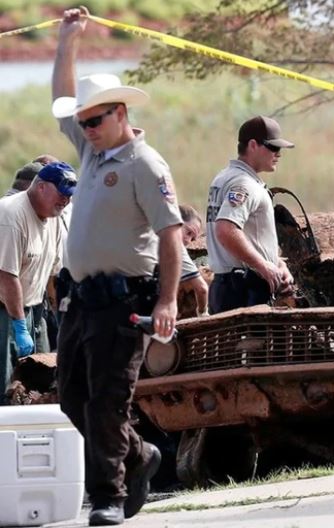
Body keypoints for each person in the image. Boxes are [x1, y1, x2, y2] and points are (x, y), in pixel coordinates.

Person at [52, 7, 183, 526]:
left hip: (123, 300)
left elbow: (173, 234)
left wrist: (168, 300)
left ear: (120, 113)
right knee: (72, 397)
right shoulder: (90, 152)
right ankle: (139, 454)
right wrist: (68, 40)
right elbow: (62, 96)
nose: (85, 128)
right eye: (82, 122)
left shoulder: (144, 165)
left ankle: (108, 496)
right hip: (81, 300)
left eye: (94, 120)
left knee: (107, 400)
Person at [0, 162, 74, 402]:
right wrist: (20, 327)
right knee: (5, 383)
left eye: (69, 196)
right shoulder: (11, 216)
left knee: (40, 381)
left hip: (34, 308)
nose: (66, 201)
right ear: (41, 187)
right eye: (62, 194)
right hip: (5, 311)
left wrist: (59, 317)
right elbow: (6, 277)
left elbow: (53, 275)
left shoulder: (54, 217)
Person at [206, 115, 294, 314]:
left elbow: (249, 235)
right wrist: (262, 265)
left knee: (230, 345)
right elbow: (226, 230)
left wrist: (276, 263)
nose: (278, 154)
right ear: (253, 145)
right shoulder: (244, 183)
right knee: (253, 345)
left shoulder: (225, 176)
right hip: (244, 288)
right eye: (273, 147)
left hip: (229, 285)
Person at [179, 204, 208, 316]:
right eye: (188, 232)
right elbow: (202, 289)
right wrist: (202, 312)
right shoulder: (175, 246)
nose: (188, 241)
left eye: (193, 238)